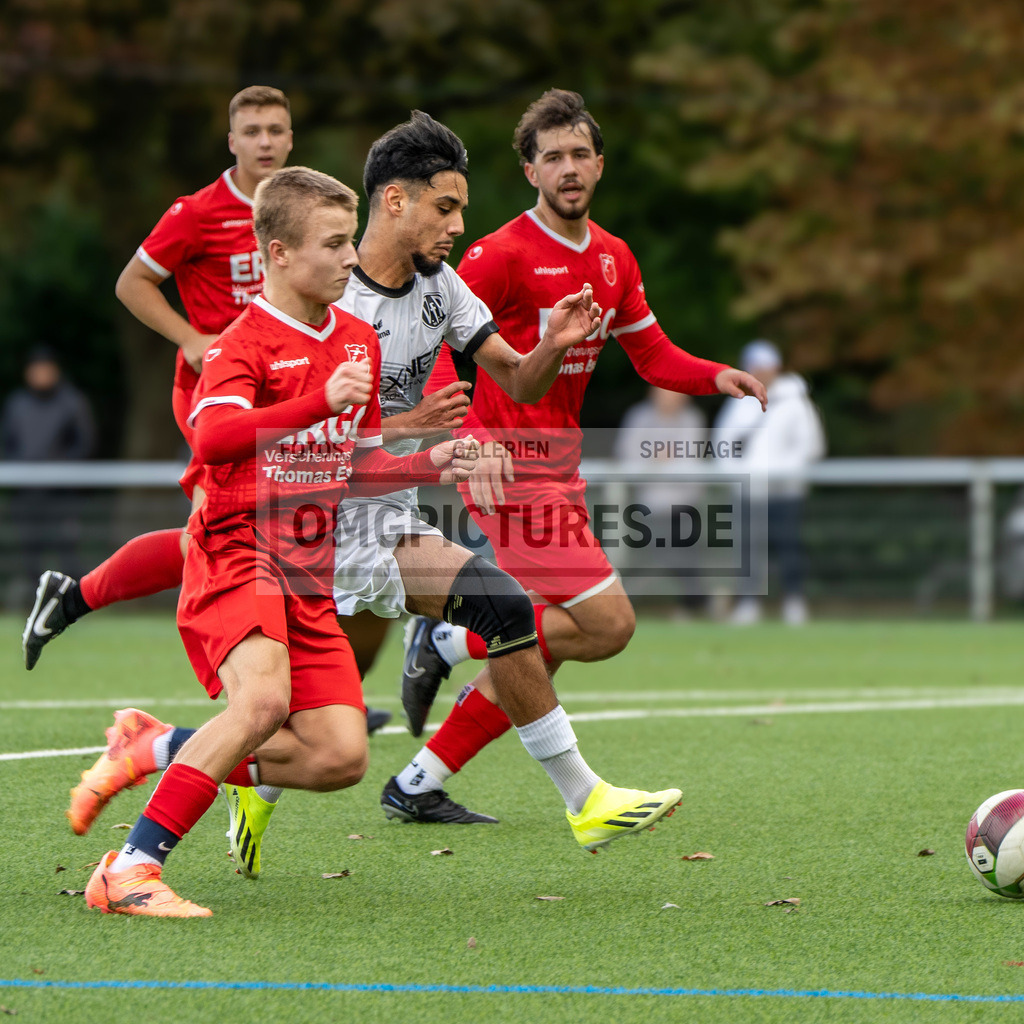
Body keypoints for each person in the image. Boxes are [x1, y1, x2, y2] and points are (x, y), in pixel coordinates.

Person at [79, 165, 478, 917]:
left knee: (339, 756)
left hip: (307, 567)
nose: (349, 259)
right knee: (262, 703)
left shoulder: (356, 338)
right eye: (332, 244)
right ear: (279, 254)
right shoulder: (242, 344)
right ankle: (130, 868)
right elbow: (213, 436)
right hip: (237, 550)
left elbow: (353, 463)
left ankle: (157, 747)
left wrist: (431, 462)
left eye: (347, 242)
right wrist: (311, 401)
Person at [387, 89, 766, 822]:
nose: (568, 167)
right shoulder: (497, 255)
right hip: (504, 470)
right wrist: (463, 440)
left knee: (539, 647)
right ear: (530, 170)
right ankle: (447, 636)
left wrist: (714, 375)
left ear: (600, 164)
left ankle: (417, 781)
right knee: (607, 624)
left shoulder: (614, 258)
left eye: (579, 154)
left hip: (559, 471)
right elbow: (435, 346)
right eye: (552, 156)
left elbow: (652, 354)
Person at [19, 88, 390, 717]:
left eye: (276, 129)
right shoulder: (198, 212)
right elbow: (131, 283)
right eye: (252, 131)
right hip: (222, 391)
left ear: (292, 138)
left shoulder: (313, 218)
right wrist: (191, 337)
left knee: (228, 537)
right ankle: (262, 702)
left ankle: (301, 697)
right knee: (219, 537)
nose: (265, 142)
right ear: (232, 142)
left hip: (296, 385)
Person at [713, 339, 826, 625]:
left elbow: (810, 446)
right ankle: (749, 603)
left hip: (786, 491)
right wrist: (740, 475)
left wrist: (780, 473)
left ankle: (794, 602)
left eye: (766, 366)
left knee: (789, 546)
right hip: (749, 491)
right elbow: (723, 446)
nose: (762, 372)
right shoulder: (737, 404)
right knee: (748, 549)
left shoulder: (796, 404)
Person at [1, 345, 96, 604]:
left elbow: (84, 444)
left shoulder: (72, 402)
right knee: (29, 553)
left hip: (62, 495)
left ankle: (74, 606)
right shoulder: (17, 404)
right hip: (27, 494)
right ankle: (35, 608)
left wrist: (60, 468)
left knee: (68, 552)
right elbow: (7, 443)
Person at [614, 387, 709, 617]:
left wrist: (659, 459)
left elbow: (691, 458)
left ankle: (693, 604)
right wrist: (660, 459)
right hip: (649, 504)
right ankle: (631, 602)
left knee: (685, 556)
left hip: (685, 503)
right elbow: (627, 453)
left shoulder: (692, 419)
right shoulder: (639, 417)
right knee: (659, 555)